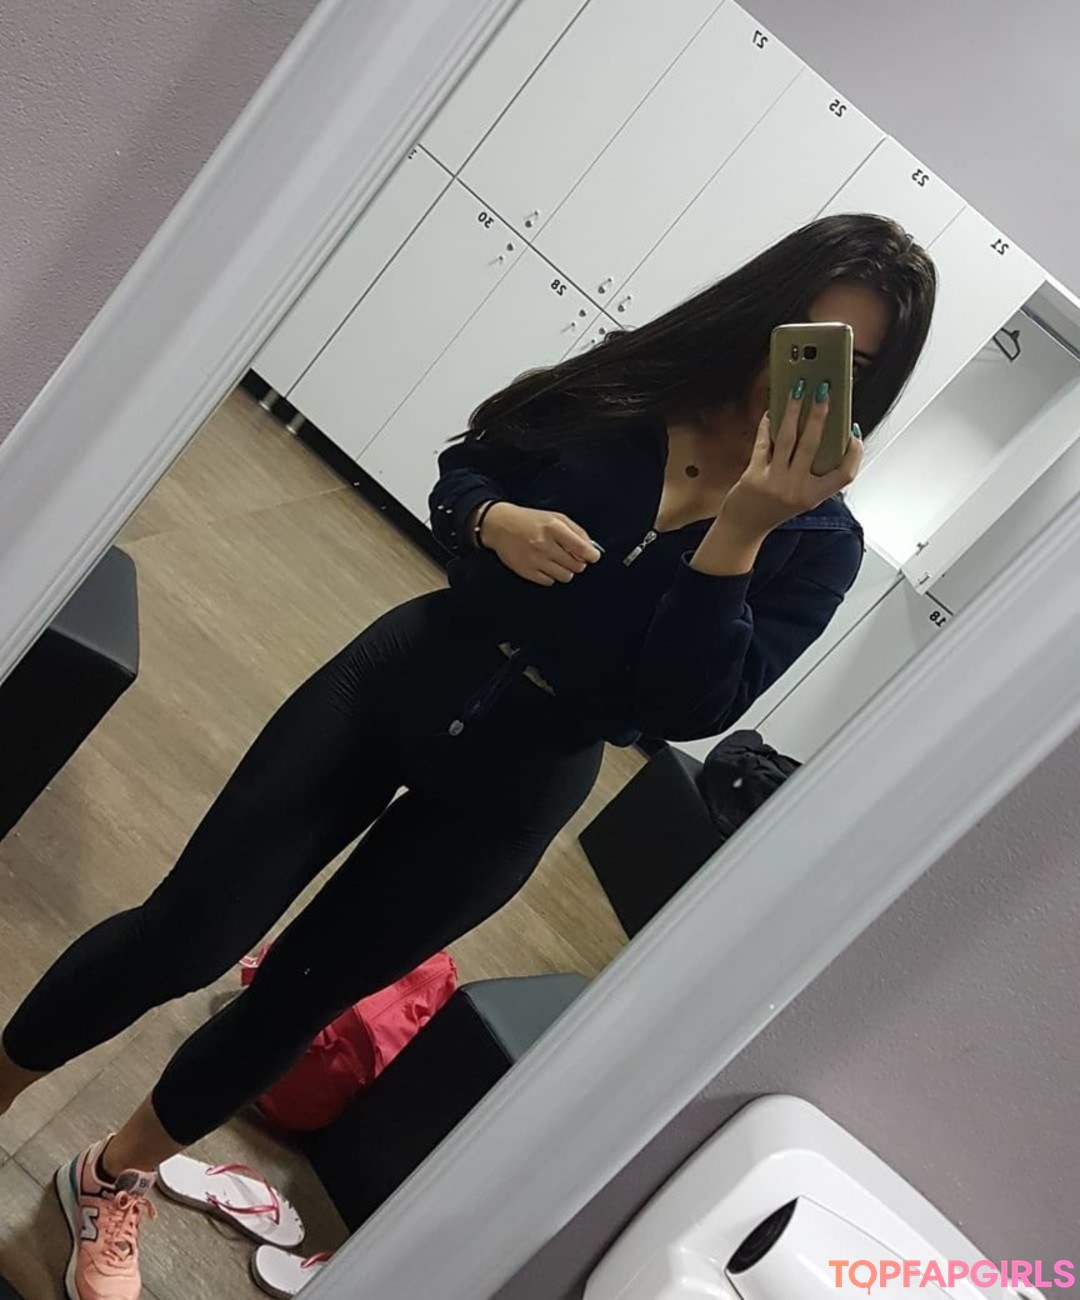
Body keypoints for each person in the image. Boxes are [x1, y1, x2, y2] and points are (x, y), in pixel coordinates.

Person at [0, 213, 935, 1299]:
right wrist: (491, 518)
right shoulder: (632, 383)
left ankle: (112, 1174)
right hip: (401, 677)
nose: (808, 376)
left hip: (525, 777)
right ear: (762, 308)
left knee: (297, 999)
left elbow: (688, 705)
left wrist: (743, 530)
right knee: (187, 930)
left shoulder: (819, 545)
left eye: (851, 364)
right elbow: (468, 464)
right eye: (805, 335)